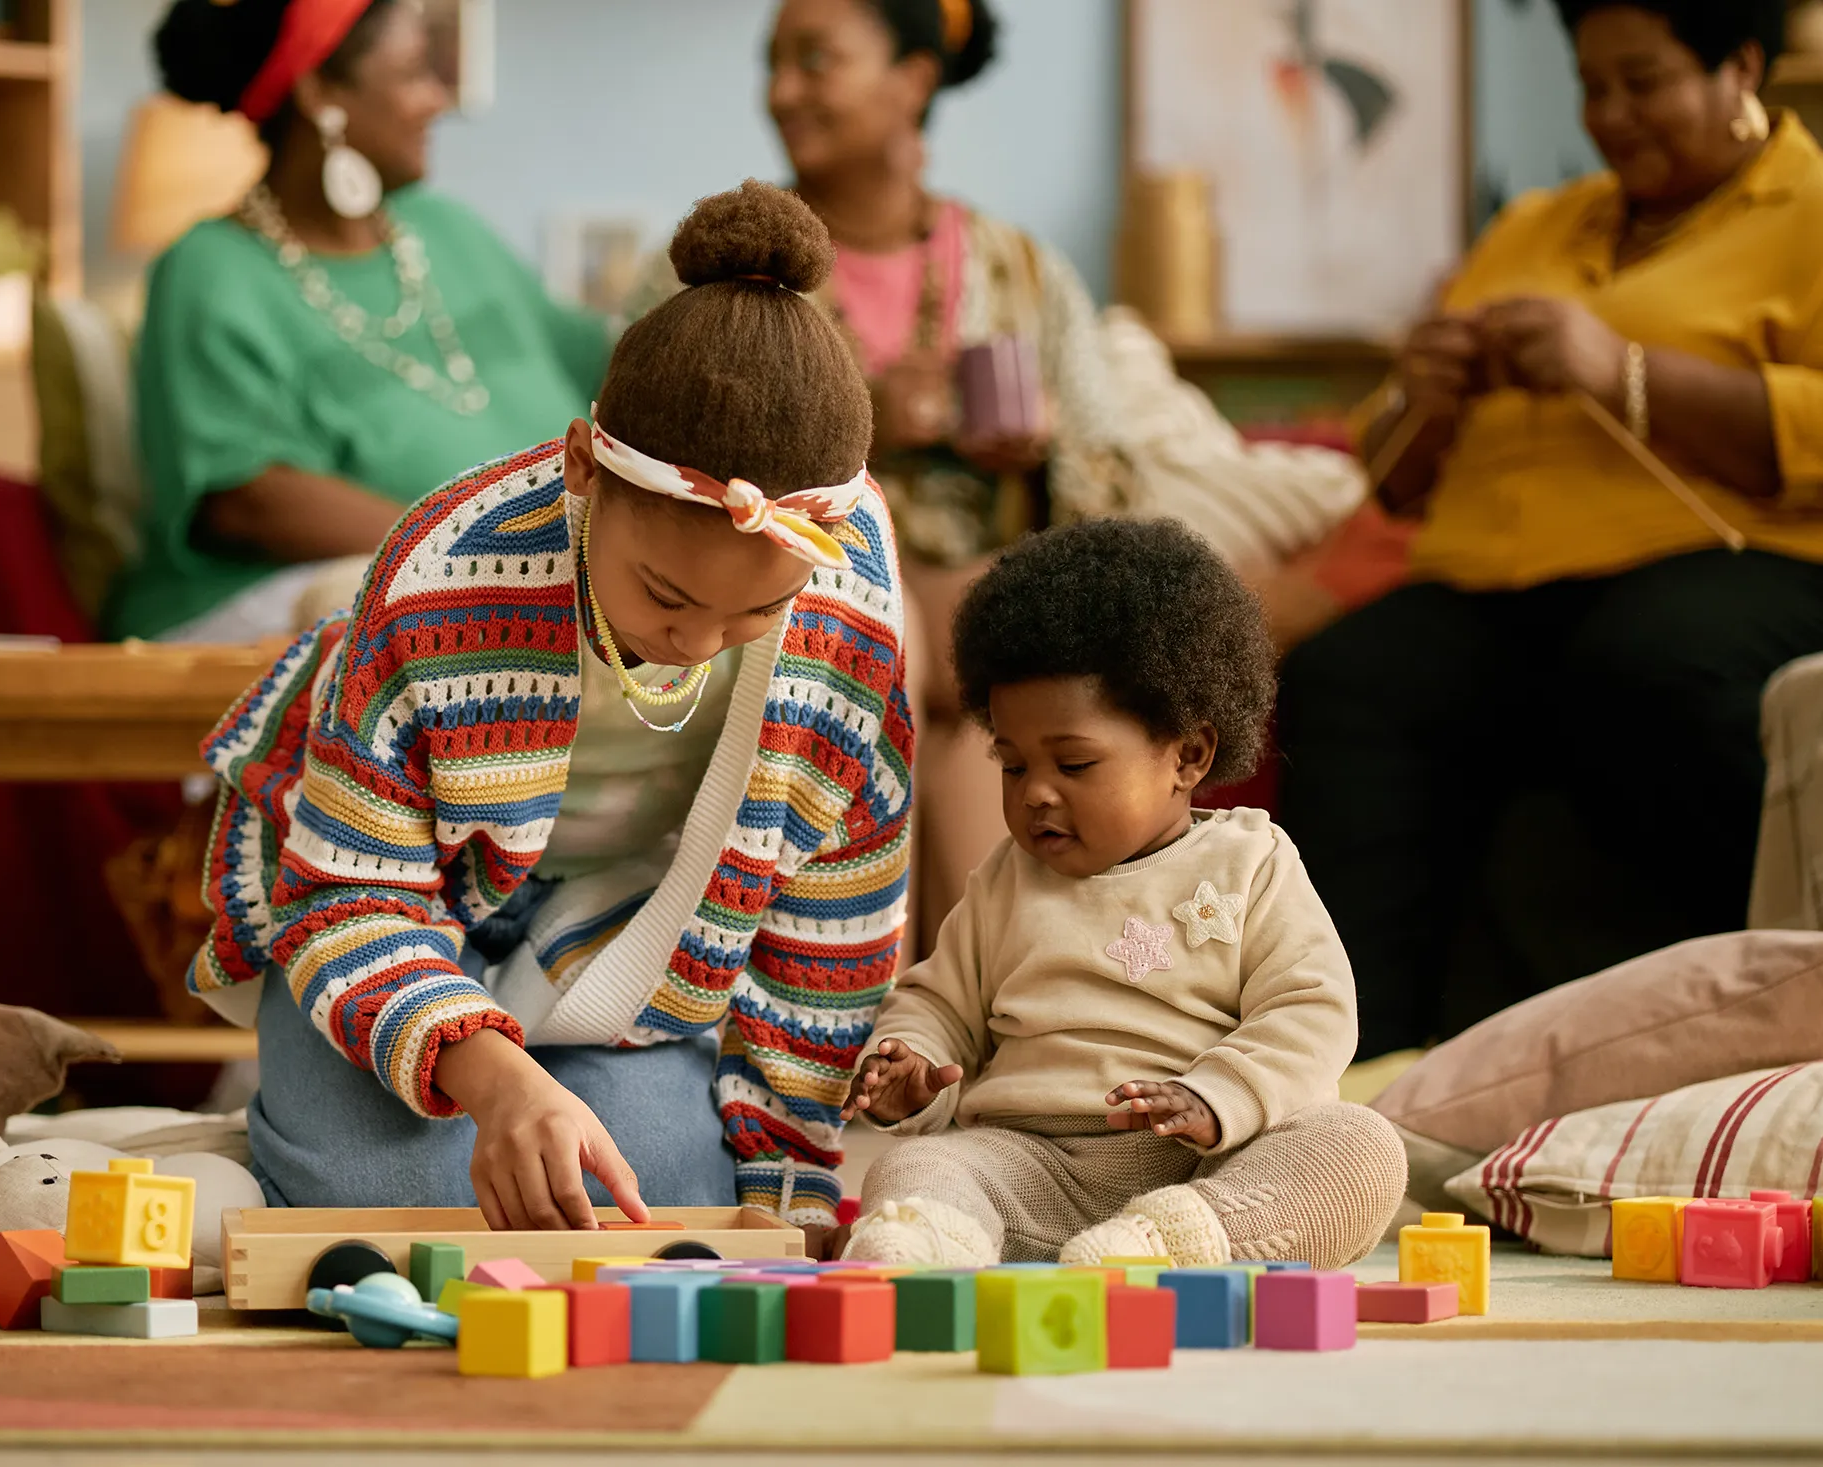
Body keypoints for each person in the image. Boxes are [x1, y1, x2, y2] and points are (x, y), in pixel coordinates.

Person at [188, 183, 914, 1232]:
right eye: (666, 596)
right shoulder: (443, 582)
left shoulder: (847, 597)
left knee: (659, 1201)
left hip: (623, 935)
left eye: (756, 610)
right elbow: (352, 895)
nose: (699, 642)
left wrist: (781, 1185)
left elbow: (828, 927)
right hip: (387, 898)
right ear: (579, 469)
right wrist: (495, 1081)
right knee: (385, 1207)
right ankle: (278, 1117)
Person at [745, 0, 1365, 950]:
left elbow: (1110, 475)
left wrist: (1038, 443)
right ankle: (878, 1015)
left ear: (913, 78)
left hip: (980, 618)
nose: (781, 92)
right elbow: (683, 450)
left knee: (983, 724)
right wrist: (865, 413)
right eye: (774, 64)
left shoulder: (1022, 270)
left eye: (814, 60)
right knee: (904, 647)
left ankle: (964, 1037)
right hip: (809, 599)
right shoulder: (735, 265)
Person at [1279, 0, 1823, 1059]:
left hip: (1737, 563)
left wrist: (1618, 370)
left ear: (1739, 67)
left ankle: (1746, 1024)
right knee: (1353, 679)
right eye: (1591, 85)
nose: (1610, 114)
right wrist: (1421, 400)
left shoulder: (1809, 214)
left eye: (1644, 80)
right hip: (1505, 589)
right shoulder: (1535, 226)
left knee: (1649, 662)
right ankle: (1360, 1073)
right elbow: (1395, 486)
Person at [835, 520, 1404, 1269]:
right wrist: (912, 1060)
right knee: (911, 1169)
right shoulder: (1006, 879)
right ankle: (931, 1243)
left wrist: (1220, 1095)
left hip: (1202, 1166)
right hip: (1029, 1164)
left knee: (1360, 1150)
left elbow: (1313, 1010)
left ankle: (1165, 1244)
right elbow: (939, 1001)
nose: (1036, 793)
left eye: (1074, 764)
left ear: (1188, 755)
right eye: (1012, 765)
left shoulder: (1250, 863)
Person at [111, 0, 611, 643]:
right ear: (320, 90)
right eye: (412, 72)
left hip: (546, 586)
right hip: (287, 604)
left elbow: (610, 367)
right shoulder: (209, 270)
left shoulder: (451, 233)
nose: (438, 99)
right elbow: (248, 500)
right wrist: (492, 555)